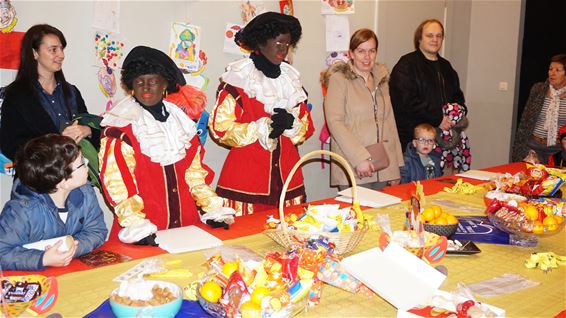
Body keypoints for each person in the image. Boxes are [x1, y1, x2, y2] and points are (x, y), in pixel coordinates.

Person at [99, 46, 234, 245]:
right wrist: (136, 225)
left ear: (164, 85)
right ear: (131, 85)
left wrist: (212, 207)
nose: (145, 87)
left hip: (187, 227)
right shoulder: (121, 128)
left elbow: (195, 175)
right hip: (144, 230)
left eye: (153, 81)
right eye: (139, 82)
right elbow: (118, 184)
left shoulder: (182, 124)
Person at [209, 12, 314, 215]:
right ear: (262, 42)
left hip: (288, 179)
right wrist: (260, 128)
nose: (283, 49)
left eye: (287, 44)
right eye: (278, 43)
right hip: (246, 181)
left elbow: (306, 126)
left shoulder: (291, 80)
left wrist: (292, 124)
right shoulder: (238, 80)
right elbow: (219, 128)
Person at [0, 134, 107, 271]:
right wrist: (43, 258)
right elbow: (3, 253)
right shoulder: (22, 211)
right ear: (62, 181)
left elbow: (96, 230)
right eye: (81, 164)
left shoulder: (85, 193)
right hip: (35, 279)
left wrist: (73, 249)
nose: (87, 163)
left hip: (71, 271)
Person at [0, 24, 98, 161]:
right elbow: (10, 145)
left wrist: (87, 131)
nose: (61, 55)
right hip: (38, 179)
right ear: (35, 53)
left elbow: (93, 132)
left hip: (76, 176)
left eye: (62, 49)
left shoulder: (72, 92)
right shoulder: (16, 95)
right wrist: (56, 147)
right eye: (53, 50)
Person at [323, 28, 403, 190]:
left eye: (371, 51)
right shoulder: (339, 80)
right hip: (354, 165)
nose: (367, 57)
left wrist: (396, 167)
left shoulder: (382, 80)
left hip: (382, 165)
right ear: (351, 53)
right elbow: (335, 122)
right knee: (358, 215)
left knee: (382, 214)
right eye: (361, 51)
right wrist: (359, 158)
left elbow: (390, 123)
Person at [390, 19, 469, 173]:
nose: (434, 40)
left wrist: (456, 115)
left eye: (439, 36)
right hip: (413, 145)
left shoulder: (446, 67)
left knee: (441, 187)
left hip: (444, 143)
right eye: (430, 35)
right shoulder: (406, 65)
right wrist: (438, 118)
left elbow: (458, 98)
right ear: (419, 38)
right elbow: (404, 102)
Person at [512, 54, 566, 164]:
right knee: (529, 179)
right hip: (533, 147)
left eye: (557, 70)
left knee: (552, 181)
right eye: (550, 69)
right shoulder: (538, 89)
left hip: (557, 150)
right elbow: (525, 121)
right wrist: (518, 147)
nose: (552, 73)